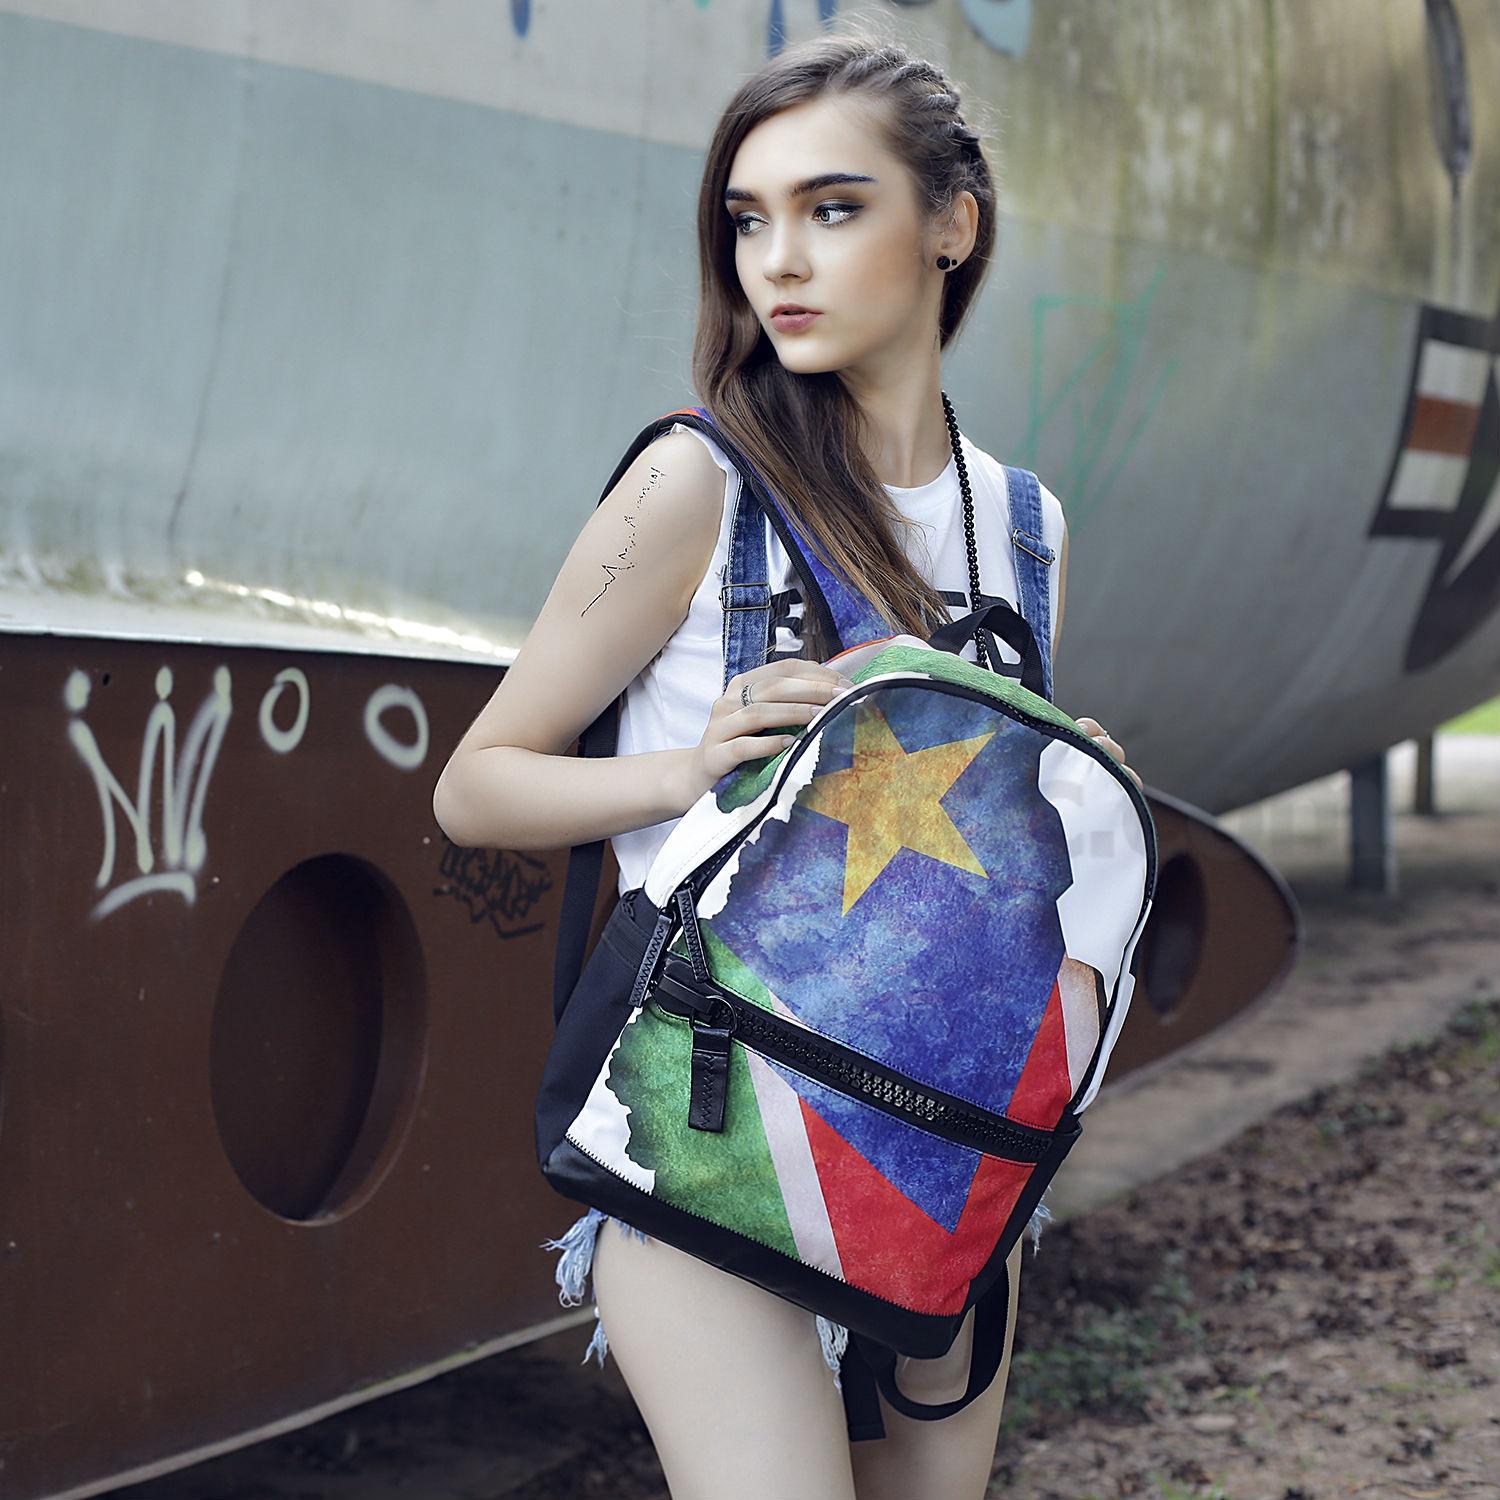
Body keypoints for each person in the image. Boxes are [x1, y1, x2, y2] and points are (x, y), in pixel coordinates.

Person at [434, 23, 1140, 1500]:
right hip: (718, 1132)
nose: (781, 262)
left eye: (833, 208)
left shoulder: (1025, 528)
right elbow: (478, 784)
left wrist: (1066, 785)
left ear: (952, 226)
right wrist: (689, 770)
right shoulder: (695, 484)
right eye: (750, 221)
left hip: (942, 1146)